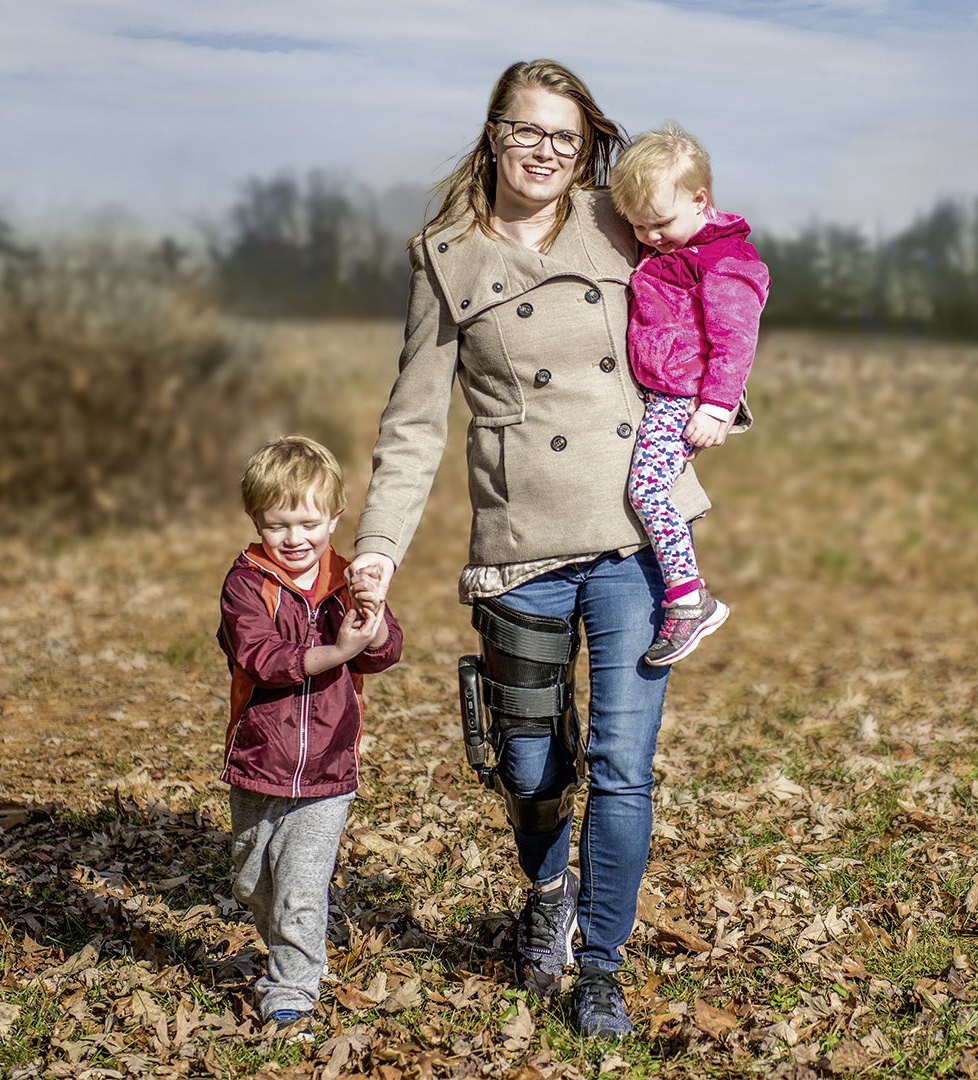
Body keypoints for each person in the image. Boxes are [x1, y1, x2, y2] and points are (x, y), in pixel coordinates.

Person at [348, 59, 725, 1039]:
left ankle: (600, 966)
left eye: (565, 136)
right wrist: (378, 549)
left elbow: (723, 283)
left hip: (639, 539)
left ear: (587, 144)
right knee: (529, 768)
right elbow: (414, 423)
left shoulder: (621, 219)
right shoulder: (445, 256)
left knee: (624, 765)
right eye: (528, 131)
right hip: (522, 544)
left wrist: (722, 397)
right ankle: (547, 888)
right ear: (494, 134)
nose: (547, 153)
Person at [217, 435, 403, 1030]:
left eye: (308, 523)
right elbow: (261, 658)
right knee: (250, 879)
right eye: (278, 526)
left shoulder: (350, 578)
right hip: (259, 758)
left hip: (328, 766)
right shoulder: (246, 584)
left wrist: (370, 627)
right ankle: (293, 935)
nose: (294, 539)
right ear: (257, 523)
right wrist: (335, 649)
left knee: (301, 887)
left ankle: (293, 986)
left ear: (335, 519)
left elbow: (385, 652)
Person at [609, 122, 769, 666]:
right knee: (644, 488)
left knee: (649, 491)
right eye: (638, 227)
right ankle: (685, 594)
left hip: (684, 399)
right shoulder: (670, 249)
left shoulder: (724, 264)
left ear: (701, 201)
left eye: (659, 223)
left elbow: (734, 341)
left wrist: (717, 406)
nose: (649, 237)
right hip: (659, 392)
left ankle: (688, 597)